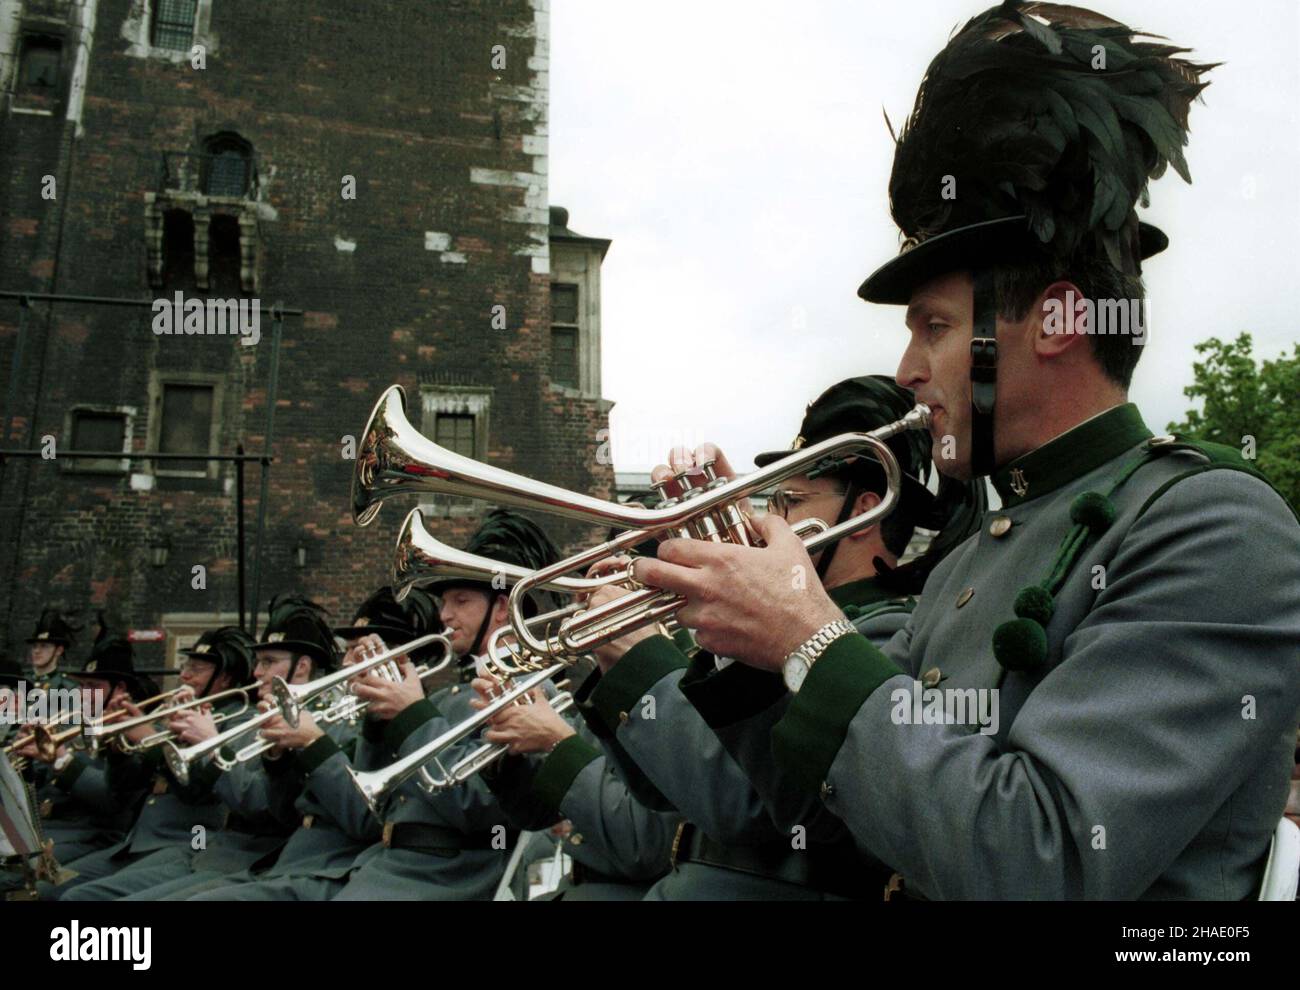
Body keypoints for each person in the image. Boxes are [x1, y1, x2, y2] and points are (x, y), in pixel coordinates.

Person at [629, 2, 1300, 900]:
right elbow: (835, 830)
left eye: (934, 328)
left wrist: (808, 635)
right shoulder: (971, 547)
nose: (907, 370)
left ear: (1060, 322)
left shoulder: (1214, 525)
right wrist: (743, 639)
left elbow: (1044, 857)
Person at [480, 376, 983, 899]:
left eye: (789, 500)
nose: (773, 521)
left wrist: (639, 656)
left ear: (861, 510)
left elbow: (735, 803)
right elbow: (659, 792)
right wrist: (618, 664)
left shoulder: (882, 632)